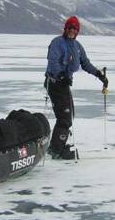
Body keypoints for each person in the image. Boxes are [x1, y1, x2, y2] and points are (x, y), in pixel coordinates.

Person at [44, 16, 108, 159]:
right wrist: (61, 76)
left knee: (69, 115)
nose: (72, 31)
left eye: (75, 29)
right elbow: (53, 62)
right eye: (70, 28)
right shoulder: (57, 43)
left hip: (64, 85)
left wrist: (99, 74)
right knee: (65, 118)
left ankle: (57, 146)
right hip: (55, 84)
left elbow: (85, 63)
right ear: (65, 29)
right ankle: (56, 150)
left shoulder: (77, 47)